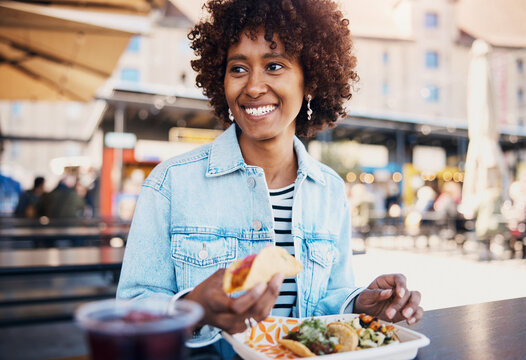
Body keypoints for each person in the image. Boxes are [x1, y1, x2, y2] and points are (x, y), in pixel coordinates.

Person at [117, 0, 423, 352]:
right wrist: (194, 309)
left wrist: (357, 304)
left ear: (311, 80)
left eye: (274, 65)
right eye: (238, 68)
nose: (253, 86)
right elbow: (130, 311)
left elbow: (327, 298)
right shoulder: (169, 183)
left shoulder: (329, 190)